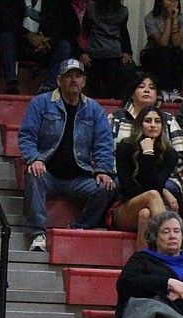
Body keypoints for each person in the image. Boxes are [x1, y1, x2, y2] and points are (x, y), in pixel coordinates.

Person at [18, 58, 117, 252]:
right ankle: (38, 233)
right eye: (68, 76)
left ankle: (80, 228)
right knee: (33, 175)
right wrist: (35, 158)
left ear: (84, 81)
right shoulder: (41, 103)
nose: (74, 80)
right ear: (59, 81)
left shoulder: (95, 110)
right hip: (47, 174)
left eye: (78, 76)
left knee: (108, 186)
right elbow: (26, 136)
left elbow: (104, 144)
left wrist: (103, 170)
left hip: (79, 178)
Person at [109, 71, 183, 207]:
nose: (147, 90)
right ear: (132, 92)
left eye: (152, 88)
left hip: (165, 177)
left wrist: (161, 173)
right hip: (124, 175)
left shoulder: (168, 120)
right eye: (141, 87)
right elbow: (107, 151)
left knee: (170, 188)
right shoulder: (116, 118)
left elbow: (182, 153)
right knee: (113, 185)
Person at [109, 107, 182, 248]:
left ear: (162, 126)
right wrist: (147, 154)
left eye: (157, 121)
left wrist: (149, 153)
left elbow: (155, 185)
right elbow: (128, 189)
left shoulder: (170, 154)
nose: (153, 125)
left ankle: (142, 262)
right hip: (124, 208)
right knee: (153, 195)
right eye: (148, 121)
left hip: (150, 207)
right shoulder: (125, 147)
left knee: (145, 214)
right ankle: (171, 249)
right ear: (140, 125)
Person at [0, 0, 54, 94]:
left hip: (41, 48)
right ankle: (11, 82)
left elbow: (62, 24)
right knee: (6, 36)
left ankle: (49, 86)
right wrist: (29, 36)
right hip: (14, 44)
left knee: (64, 46)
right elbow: (4, 21)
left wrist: (45, 40)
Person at [81, 0, 134, 100]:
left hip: (110, 54)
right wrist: (82, 53)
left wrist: (127, 52)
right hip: (97, 54)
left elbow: (123, 32)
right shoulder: (92, 9)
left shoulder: (122, 11)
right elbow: (84, 32)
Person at [141, 0, 183, 102]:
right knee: (164, 51)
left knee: (178, 52)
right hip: (153, 54)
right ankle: (162, 90)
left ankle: (175, 92)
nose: (173, 2)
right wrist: (168, 19)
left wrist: (175, 19)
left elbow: (177, 43)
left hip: (173, 55)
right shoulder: (150, 18)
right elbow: (162, 43)